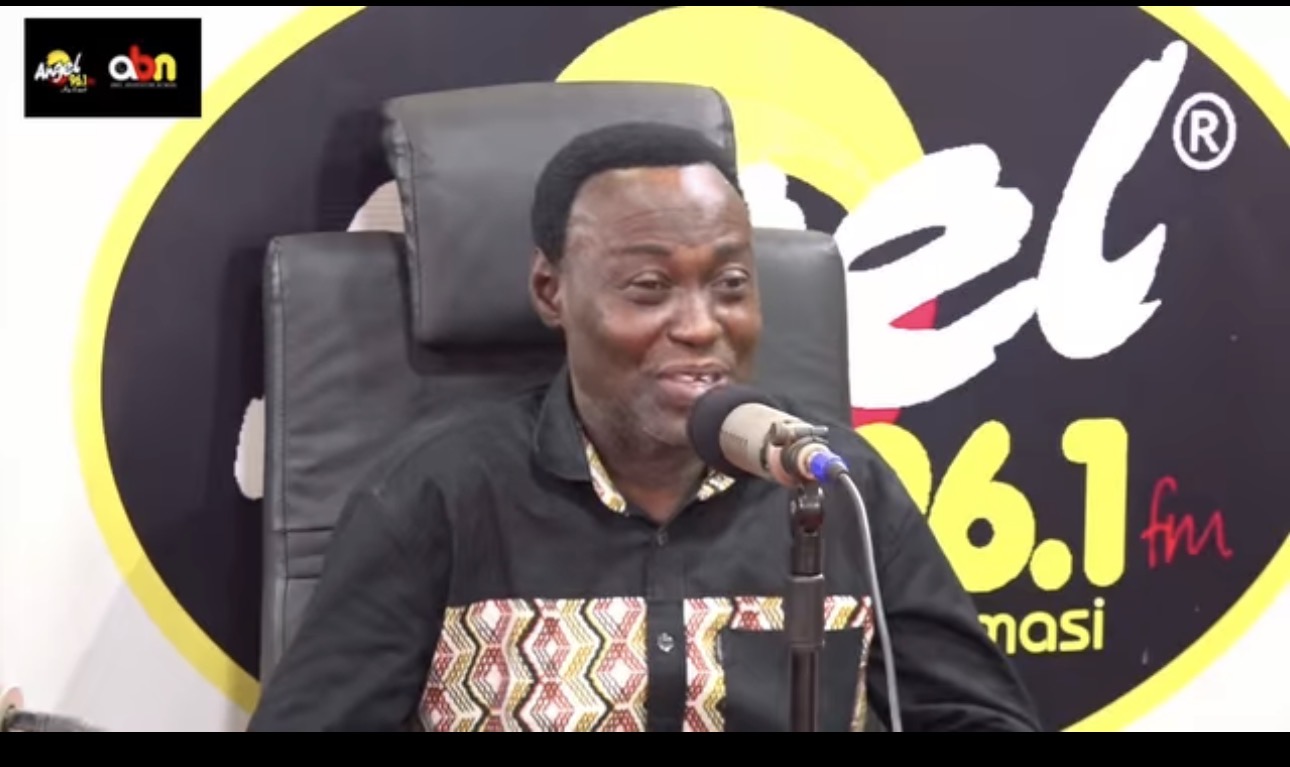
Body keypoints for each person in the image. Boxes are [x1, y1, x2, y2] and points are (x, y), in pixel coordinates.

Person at [246, 121, 1042, 733]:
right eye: (649, 287)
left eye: (731, 283)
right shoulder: (435, 496)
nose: (700, 325)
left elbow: (981, 718)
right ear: (552, 292)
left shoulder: (832, 481)